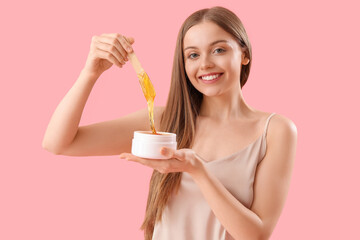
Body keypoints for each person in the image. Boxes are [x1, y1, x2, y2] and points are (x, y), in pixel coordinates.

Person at [42, 6, 297, 240]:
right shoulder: (166, 121)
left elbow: (256, 235)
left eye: (219, 49)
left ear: (244, 54)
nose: (205, 63)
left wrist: (198, 170)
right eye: (193, 55)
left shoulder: (274, 130)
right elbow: (58, 143)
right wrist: (91, 72)